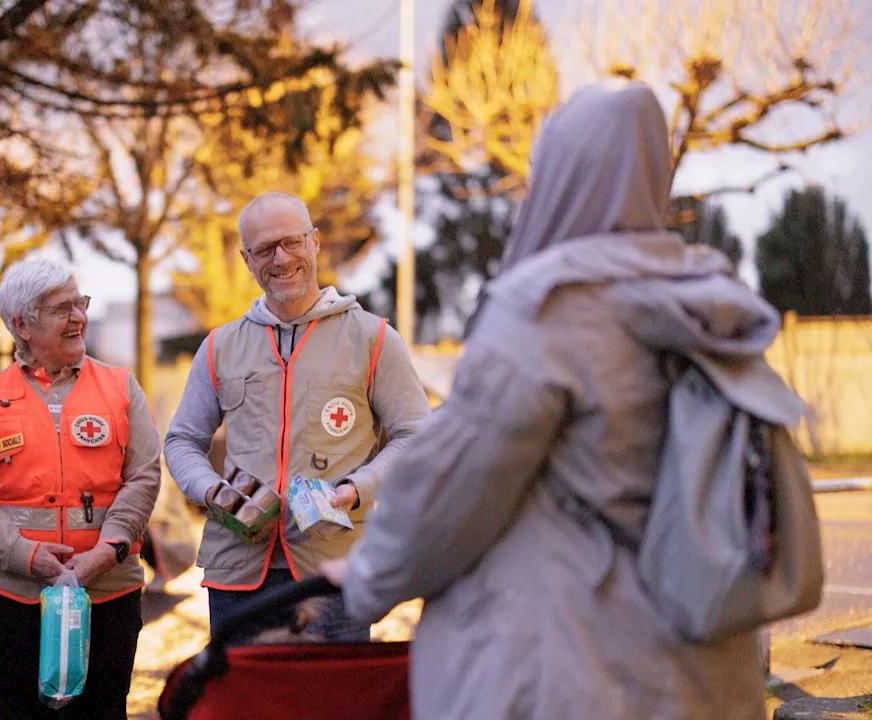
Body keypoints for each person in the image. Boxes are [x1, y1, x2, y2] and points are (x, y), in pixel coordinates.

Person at [324, 82, 782, 720]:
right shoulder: (707, 301)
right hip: (705, 660)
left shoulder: (546, 311)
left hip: (570, 661)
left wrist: (368, 576)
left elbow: (450, 492)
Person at [164, 191, 430, 641]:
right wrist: (211, 491)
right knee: (246, 706)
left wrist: (355, 489)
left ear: (315, 242)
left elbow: (415, 436)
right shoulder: (219, 346)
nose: (281, 258)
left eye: (291, 242)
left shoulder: (374, 339)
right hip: (238, 572)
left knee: (331, 703)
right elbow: (181, 441)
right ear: (248, 259)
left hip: (333, 573)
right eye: (265, 249)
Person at [0, 258, 161, 720]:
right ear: (22, 324)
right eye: (63, 308)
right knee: (20, 711)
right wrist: (24, 555)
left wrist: (108, 551)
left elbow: (144, 475)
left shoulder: (121, 386)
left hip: (109, 592)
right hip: (14, 598)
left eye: (80, 303)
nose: (79, 317)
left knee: (104, 712)